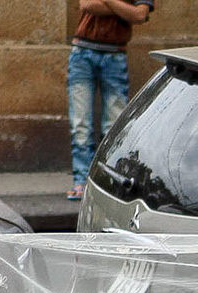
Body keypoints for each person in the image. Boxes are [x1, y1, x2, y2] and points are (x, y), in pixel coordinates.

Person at [67, 0, 154, 201]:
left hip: (115, 54)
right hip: (82, 53)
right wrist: (124, 8)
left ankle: (107, 183)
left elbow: (139, 15)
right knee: (80, 125)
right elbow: (87, 5)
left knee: (114, 127)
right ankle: (81, 181)